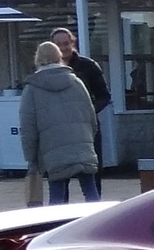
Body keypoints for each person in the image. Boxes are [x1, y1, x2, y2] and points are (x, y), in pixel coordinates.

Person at [17, 42, 103, 202]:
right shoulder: (77, 83)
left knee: (57, 194)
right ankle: (99, 223)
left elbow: (28, 127)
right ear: (59, 57)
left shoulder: (32, 89)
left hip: (52, 152)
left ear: (38, 59)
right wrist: (88, 141)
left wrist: (31, 158)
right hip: (82, 146)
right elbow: (92, 118)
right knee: (91, 192)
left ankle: (57, 225)